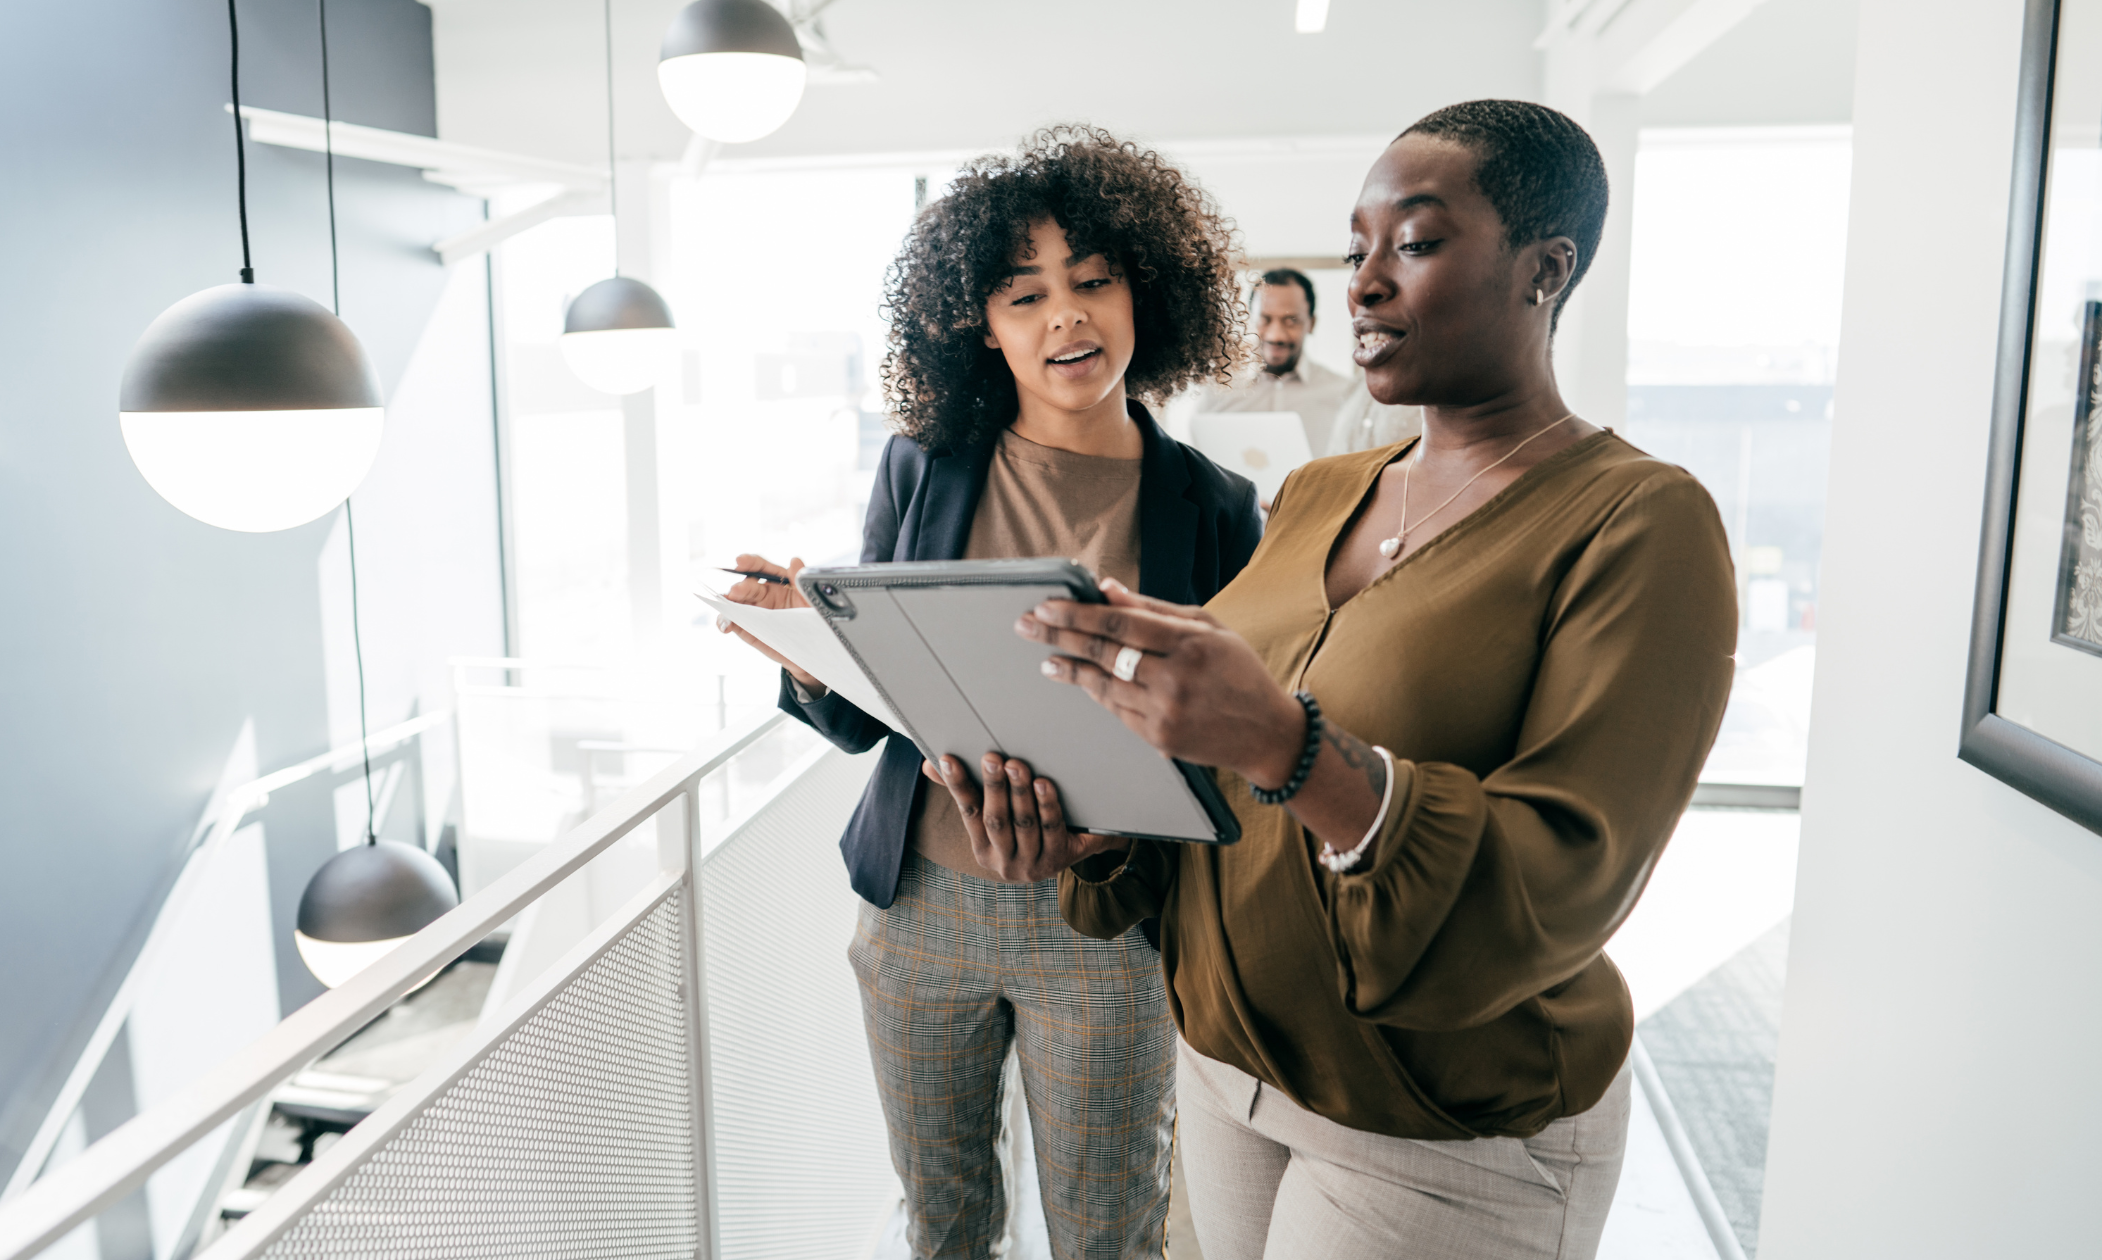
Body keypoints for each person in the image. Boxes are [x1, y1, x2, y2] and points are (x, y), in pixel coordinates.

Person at [928, 100, 1738, 1259]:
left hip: (1436, 1131)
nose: (1360, 283)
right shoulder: (1318, 494)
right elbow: (1215, 801)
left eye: (1410, 243)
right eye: (1353, 247)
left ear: (1543, 271)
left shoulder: (1637, 524)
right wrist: (1100, 837)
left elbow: (1562, 879)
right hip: (1225, 1075)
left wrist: (1291, 749)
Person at [719, 125, 1263, 1260]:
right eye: (1024, 296)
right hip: (919, 907)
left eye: (1092, 282)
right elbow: (876, 709)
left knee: (1109, 1236)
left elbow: (1230, 745)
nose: (1064, 316)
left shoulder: (1213, 506)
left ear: (1142, 296)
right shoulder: (921, 463)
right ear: (981, 326)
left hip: (1105, 927)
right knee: (945, 1227)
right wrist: (809, 646)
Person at [1178, 268, 1420, 460]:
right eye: (1265, 319)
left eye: (1291, 320)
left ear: (1311, 323)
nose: (1276, 335)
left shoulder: (1343, 393)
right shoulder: (1217, 392)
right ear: (1250, 320)